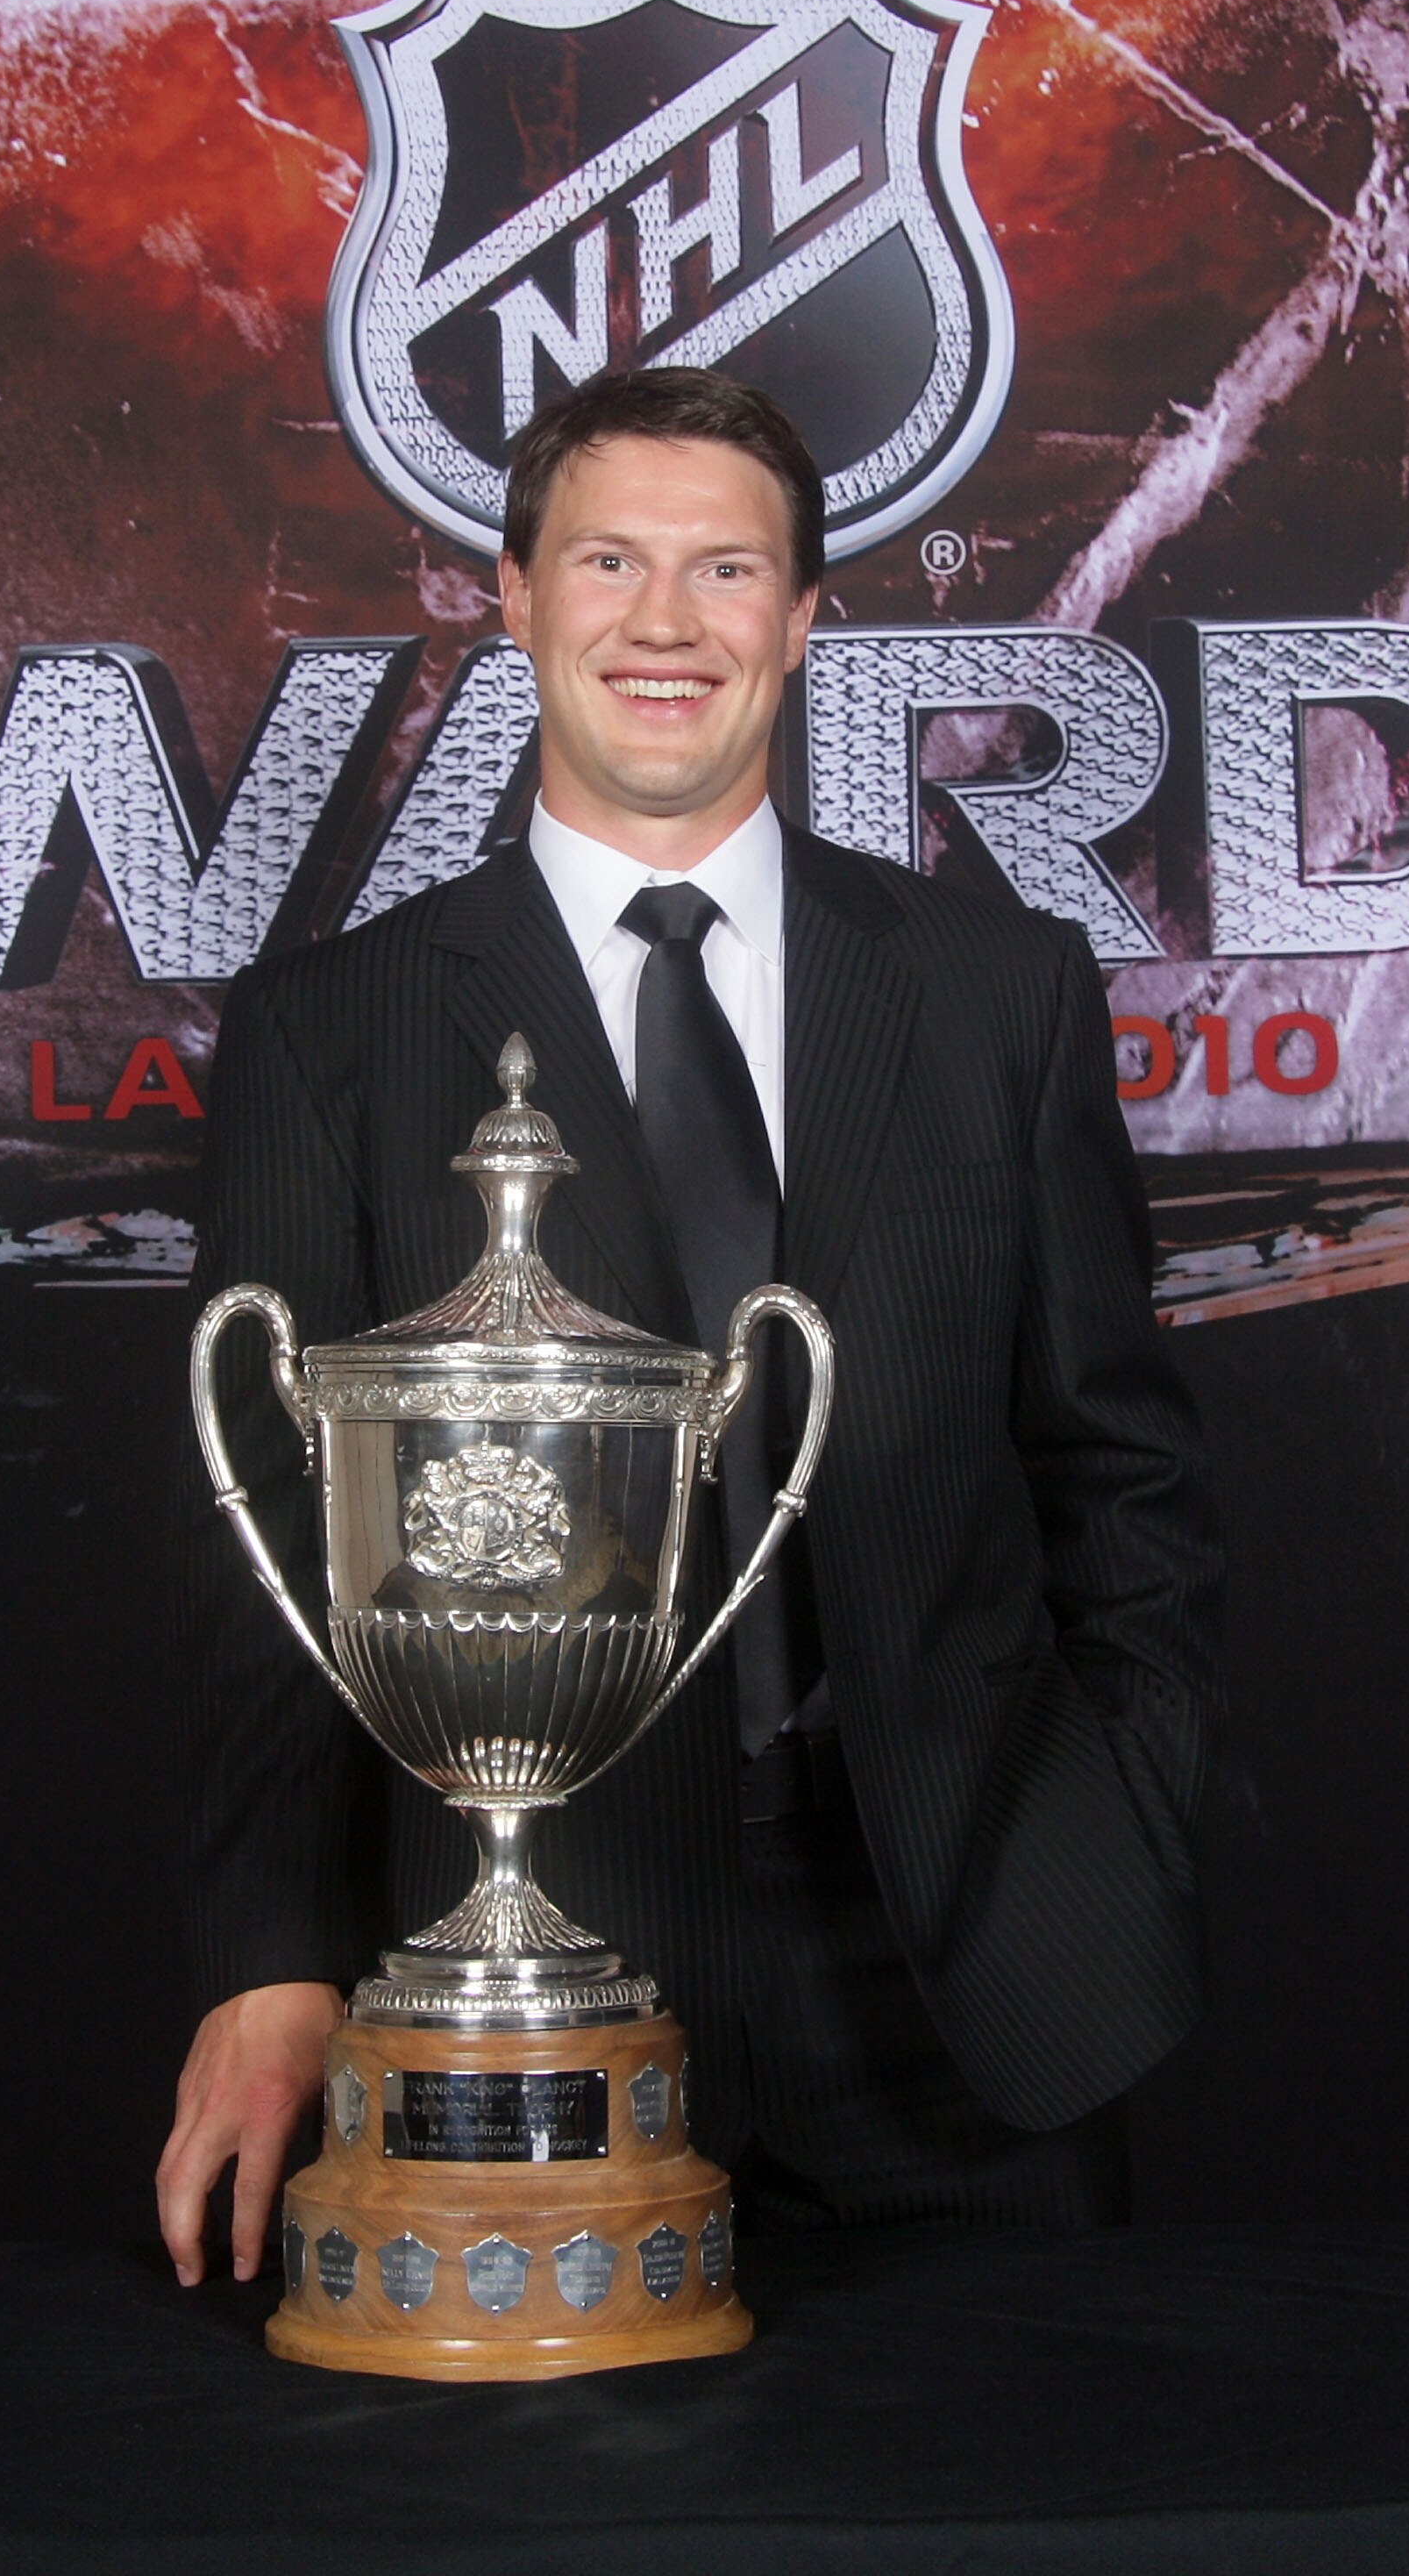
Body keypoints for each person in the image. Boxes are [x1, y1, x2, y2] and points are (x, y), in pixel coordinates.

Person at [157, 367, 1223, 2285]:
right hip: (522, 1978)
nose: (667, 623)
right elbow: (278, 1564)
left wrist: (1112, 1834)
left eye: (726, 569)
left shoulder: (1000, 995)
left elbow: (1117, 1470)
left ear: (803, 622)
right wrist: (270, 1955)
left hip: (969, 1978)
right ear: (514, 596)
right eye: (611, 562)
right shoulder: (333, 1032)